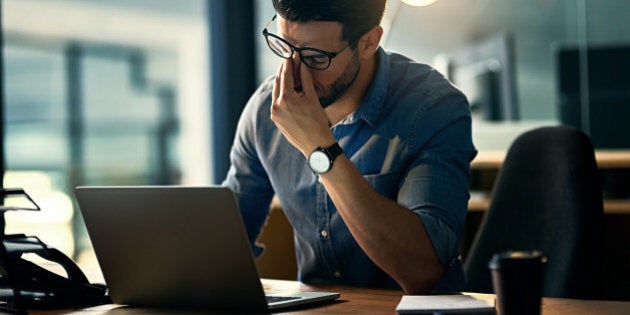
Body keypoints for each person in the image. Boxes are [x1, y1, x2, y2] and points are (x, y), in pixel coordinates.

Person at [222, 0, 476, 294]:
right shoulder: (266, 109)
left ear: (369, 42)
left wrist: (320, 148)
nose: (293, 73)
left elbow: (423, 270)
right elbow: (225, 243)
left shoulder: (432, 108)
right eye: (284, 48)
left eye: (315, 58)